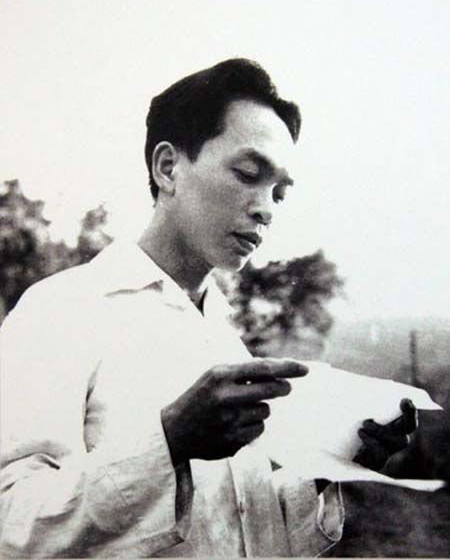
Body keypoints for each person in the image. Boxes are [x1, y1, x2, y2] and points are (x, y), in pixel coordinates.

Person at [0, 58, 416, 557]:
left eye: (279, 192)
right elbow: (12, 528)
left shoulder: (222, 334)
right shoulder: (61, 311)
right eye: (248, 174)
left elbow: (238, 532)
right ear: (168, 168)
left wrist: (329, 469)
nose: (266, 207)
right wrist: (169, 442)